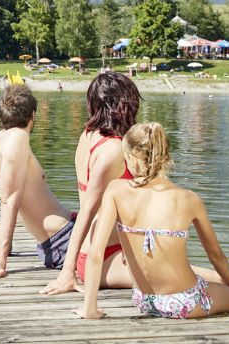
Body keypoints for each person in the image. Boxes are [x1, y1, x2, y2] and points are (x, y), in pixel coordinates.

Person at [77, 122, 229, 324]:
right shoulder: (188, 198)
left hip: (145, 300)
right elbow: (216, 255)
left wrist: (89, 308)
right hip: (185, 302)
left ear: (131, 159)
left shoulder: (116, 190)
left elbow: (95, 253)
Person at [42, 72, 141, 295]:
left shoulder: (88, 135)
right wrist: (67, 273)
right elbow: (87, 210)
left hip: (107, 252)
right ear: (123, 105)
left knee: (198, 278)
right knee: (196, 278)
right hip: (103, 256)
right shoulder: (113, 149)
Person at [0, 85, 76, 279]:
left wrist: (5, 248)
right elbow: (9, 200)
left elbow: (8, 193)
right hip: (64, 240)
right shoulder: (17, 138)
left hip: (60, 238)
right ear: (32, 115)